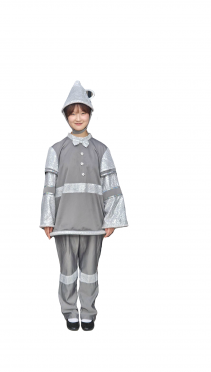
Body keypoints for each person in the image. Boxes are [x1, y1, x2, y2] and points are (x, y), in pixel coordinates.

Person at [40, 80, 129, 331]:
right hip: (64, 224)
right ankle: (69, 310)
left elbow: (111, 185)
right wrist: (47, 219)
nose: (78, 118)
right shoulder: (56, 150)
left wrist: (111, 219)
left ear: (90, 114)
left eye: (83, 112)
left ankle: (88, 311)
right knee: (67, 271)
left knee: (90, 271)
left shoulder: (101, 150)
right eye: (72, 113)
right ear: (66, 116)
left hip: (94, 223)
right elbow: (49, 188)